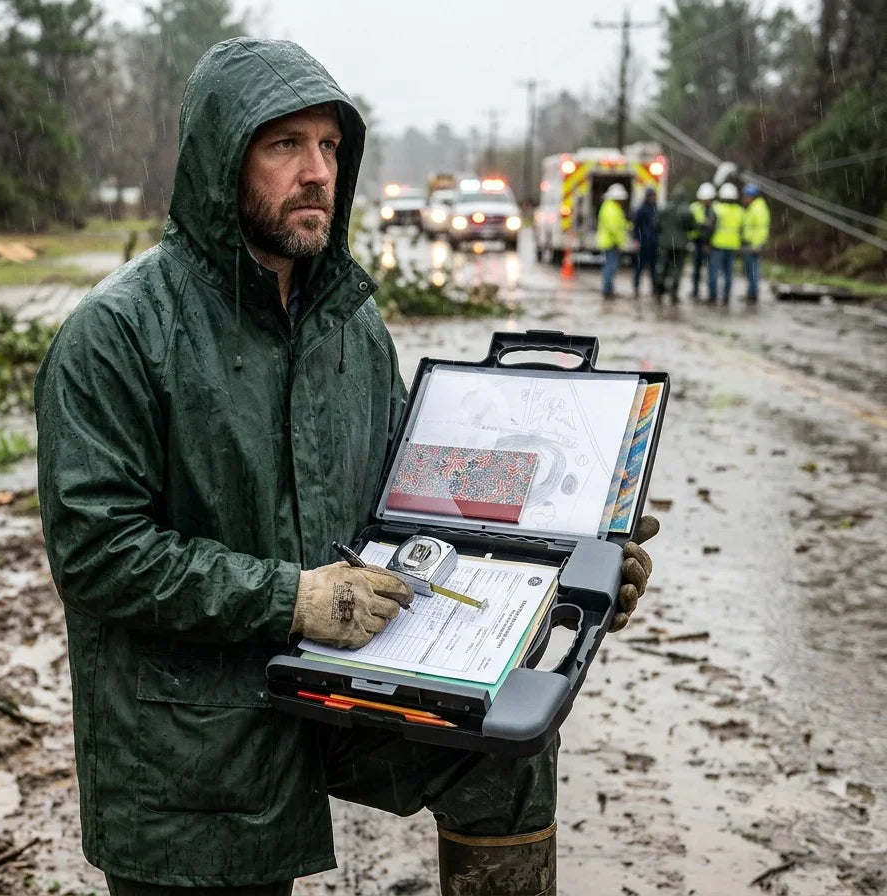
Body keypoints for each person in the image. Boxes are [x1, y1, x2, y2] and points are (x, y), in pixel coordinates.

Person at [35, 38, 659, 896]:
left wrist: (575, 550)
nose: (317, 171)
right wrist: (292, 597)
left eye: (329, 147)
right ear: (222, 159)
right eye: (283, 144)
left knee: (503, 758)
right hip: (191, 718)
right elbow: (97, 554)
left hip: (330, 689)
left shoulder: (348, 328)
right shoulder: (120, 334)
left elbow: (418, 497)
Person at [655, 185, 695, 303]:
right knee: (677, 269)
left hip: (666, 244)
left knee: (662, 267)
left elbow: (657, 226)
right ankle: (673, 292)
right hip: (680, 246)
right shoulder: (687, 211)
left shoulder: (664, 209)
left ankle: (660, 290)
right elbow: (692, 227)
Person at [709, 182, 744, 304]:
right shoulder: (740, 211)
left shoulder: (717, 208)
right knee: (728, 273)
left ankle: (713, 296)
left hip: (717, 244)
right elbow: (742, 229)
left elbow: (710, 227)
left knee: (714, 271)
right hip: (732, 245)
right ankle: (726, 297)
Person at [597, 183, 629, 299]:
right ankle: (607, 290)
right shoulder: (611, 209)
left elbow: (619, 224)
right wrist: (620, 242)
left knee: (610, 266)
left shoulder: (611, 207)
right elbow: (613, 228)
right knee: (610, 267)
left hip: (609, 242)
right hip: (611, 243)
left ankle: (608, 288)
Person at [740, 184, 770, 302]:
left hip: (754, 245)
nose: (744, 198)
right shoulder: (753, 208)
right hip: (749, 244)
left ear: (752, 196)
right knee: (749, 270)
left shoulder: (758, 208)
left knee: (753, 270)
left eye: (746, 196)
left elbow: (762, 229)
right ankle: (751, 292)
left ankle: (753, 294)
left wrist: (757, 245)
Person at [689, 183, 716, 301]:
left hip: (710, 243)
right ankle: (695, 291)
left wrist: (707, 242)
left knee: (711, 270)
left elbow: (713, 226)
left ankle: (711, 294)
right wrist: (702, 223)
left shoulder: (715, 209)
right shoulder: (694, 207)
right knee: (696, 269)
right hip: (697, 242)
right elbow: (692, 222)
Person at [631, 187, 659, 298]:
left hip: (653, 243)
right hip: (643, 243)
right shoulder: (641, 210)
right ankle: (636, 286)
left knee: (654, 268)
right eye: (650, 196)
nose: (652, 198)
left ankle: (654, 288)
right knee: (639, 267)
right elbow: (636, 226)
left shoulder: (656, 209)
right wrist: (637, 240)